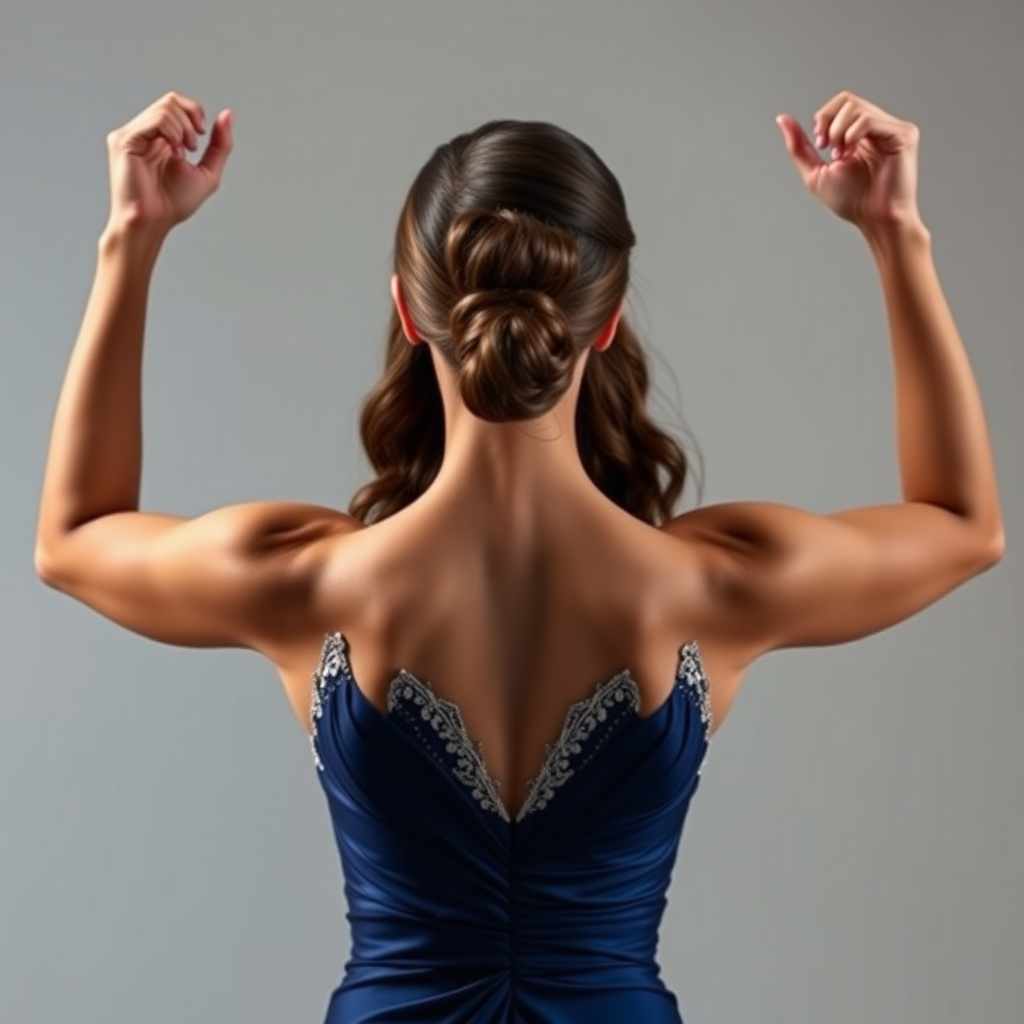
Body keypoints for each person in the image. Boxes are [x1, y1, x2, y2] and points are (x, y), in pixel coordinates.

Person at [35, 89, 1004, 1023]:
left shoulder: (309, 584)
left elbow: (73, 538)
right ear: (609, 316)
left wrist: (133, 237)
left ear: (411, 315)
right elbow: (963, 522)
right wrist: (893, 233)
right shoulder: (713, 590)